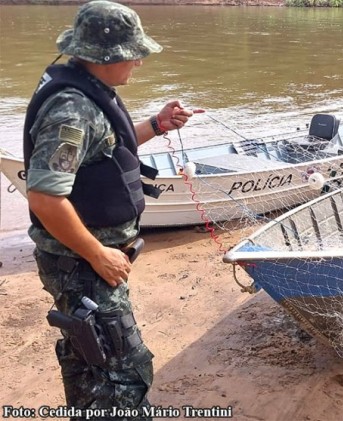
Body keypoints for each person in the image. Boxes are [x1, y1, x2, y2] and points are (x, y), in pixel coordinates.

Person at [23, 0, 192, 415]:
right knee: (123, 370)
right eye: (134, 56)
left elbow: (104, 148)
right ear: (107, 57)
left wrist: (155, 125)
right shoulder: (72, 111)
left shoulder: (89, 95)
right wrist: (98, 255)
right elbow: (45, 197)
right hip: (83, 266)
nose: (138, 64)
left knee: (88, 361)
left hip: (87, 264)